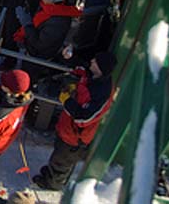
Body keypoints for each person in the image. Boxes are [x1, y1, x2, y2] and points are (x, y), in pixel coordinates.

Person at [33, 52, 116, 190]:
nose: (92, 61)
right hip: (66, 129)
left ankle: (53, 184)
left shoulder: (102, 93)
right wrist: (69, 59)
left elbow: (83, 118)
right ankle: (52, 174)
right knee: (58, 155)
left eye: (95, 61)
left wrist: (67, 101)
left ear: (101, 68)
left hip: (75, 137)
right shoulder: (91, 75)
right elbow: (80, 68)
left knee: (63, 161)